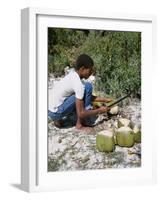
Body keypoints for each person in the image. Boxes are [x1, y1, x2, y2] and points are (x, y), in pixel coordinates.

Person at [48, 54, 112, 132]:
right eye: (90, 70)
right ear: (82, 69)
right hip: (56, 113)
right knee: (87, 87)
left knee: (87, 87)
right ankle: (79, 125)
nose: (91, 72)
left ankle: (58, 120)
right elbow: (81, 113)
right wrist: (99, 110)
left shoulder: (72, 75)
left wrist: (104, 100)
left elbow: (86, 96)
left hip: (50, 110)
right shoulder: (79, 85)